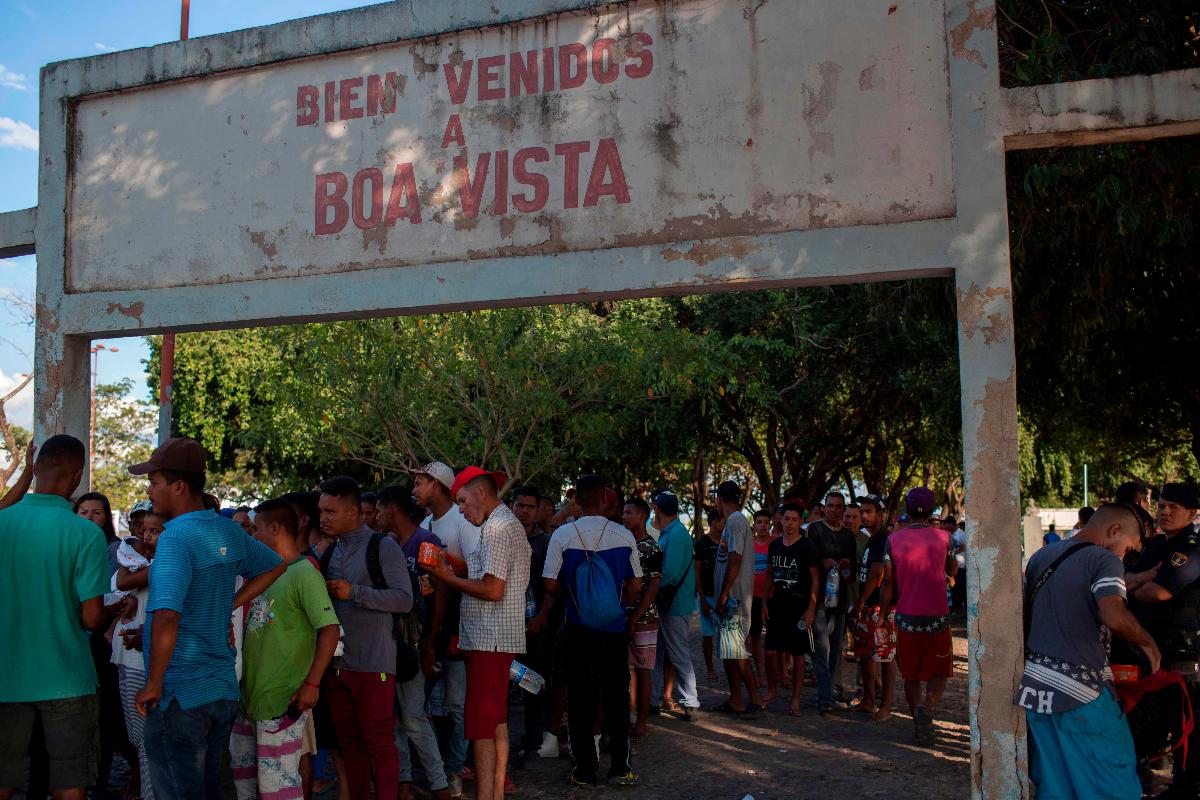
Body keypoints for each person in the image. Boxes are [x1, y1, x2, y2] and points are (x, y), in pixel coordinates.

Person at [128, 437, 285, 799]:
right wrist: (227, 604)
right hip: (219, 691)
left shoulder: (175, 538)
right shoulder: (226, 528)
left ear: (178, 487)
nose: (149, 490)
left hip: (179, 694)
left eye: (154, 482)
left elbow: (167, 614)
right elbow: (274, 565)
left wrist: (153, 684)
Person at [1018, 503, 1160, 800]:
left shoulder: (1041, 557)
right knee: (1115, 787)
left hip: (1036, 691)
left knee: (1056, 787)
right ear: (1114, 531)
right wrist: (1148, 643)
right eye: (1129, 548)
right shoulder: (1104, 559)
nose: (1125, 556)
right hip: (1083, 693)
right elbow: (1113, 615)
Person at [0, 436, 110, 800]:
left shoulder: (4, 523)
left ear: (35, 470)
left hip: (7, 675)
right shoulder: (86, 534)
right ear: (77, 476)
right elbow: (92, 618)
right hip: (67, 677)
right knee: (68, 784)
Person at [430, 467, 530, 800]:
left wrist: (445, 577)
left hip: (491, 638)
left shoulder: (499, 527)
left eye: (461, 501)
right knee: (496, 720)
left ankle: (487, 795)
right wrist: (454, 566)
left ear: (481, 494)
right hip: (490, 638)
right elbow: (486, 577)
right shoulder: (496, 526)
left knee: (482, 727)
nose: (459, 509)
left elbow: (492, 590)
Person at [230, 499, 340, 800]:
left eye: (256, 529)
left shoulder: (304, 573)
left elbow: (330, 629)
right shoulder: (262, 573)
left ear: (275, 528)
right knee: (246, 786)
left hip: (281, 701)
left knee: (278, 788)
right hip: (248, 700)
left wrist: (312, 684)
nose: (252, 536)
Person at [316, 475, 412, 800]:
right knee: (349, 745)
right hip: (337, 667)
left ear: (354, 512)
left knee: (380, 744)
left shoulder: (383, 546)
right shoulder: (328, 551)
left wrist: (353, 592)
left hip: (375, 664)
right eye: (321, 511)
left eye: (330, 511)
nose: (323, 518)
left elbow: (403, 599)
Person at [543, 475, 642, 788]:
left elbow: (548, 582)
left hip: (577, 628)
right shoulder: (623, 535)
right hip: (613, 630)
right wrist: (616, 605)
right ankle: (621, 768)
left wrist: (574, 598)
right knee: (616, 695)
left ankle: (584, 770)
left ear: (579, 501)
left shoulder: (562, 535)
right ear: (605, 500)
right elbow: (636, 583)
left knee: (580, 697)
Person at [375, 485, 453, 800]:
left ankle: (440, 785)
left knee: (413, 715)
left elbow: (441, 591)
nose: (375, 517)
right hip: (392, 644)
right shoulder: (389, 544)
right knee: (395, 716)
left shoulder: (426, 542)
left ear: (392, 510)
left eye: (378, 510)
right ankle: (405, 782)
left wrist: (431, 641)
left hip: (417, 641)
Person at [1127, 482, 1200, 797]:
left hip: (1185, 656)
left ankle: (1187, 786)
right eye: (1161, 506)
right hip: (1152, 651)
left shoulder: (1192, 548)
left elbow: (1158, 592)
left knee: (1188, 726)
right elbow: (1124, 579)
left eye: (1174, 508)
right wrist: (1133, 585)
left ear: (1192, 513)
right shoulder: (1156, 546)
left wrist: (1135, 587)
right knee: (1150, 724)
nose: (1165, 512)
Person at [412, 461, 479, 799]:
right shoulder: (424, 523)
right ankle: (433, 771)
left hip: (459, 628)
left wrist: (445, 566)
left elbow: (477, 575)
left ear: (437, 485)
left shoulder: (462, 522)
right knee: (421, 707)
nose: (415, 489)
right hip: (429, 630)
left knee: (455, 706)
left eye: (420, 482)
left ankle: (454, 771)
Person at [878, 487, 957, 744]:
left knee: (910, 674)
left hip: (907, 616)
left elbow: (888, 580)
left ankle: (917, 717)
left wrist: (882, 615)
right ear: (932, 510)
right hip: (939, 616)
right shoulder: (945, 538)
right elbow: (953, 568)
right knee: (940, 669)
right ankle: (928, 706)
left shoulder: (894, 539)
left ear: (908, 510)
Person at [74, 490, 138, 797]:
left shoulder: (116, 551)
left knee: (109, 715)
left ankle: (110, 778)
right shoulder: (68, 545)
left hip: (105, 641)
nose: (88, 517)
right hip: (75, 640)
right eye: (83, 512)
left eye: (95, 512)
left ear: (107, 516)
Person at [111, 510, 166, 800]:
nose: (147, 537)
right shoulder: (140, 560)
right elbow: (114, 592)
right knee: (138, 737)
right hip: (128, 657)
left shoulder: (163, 563)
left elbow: (121, 581)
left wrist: (127, 585)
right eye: (145, 530)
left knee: (148, 739)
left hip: (145, 661)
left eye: (155, 531)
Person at [510, 486, 560, 761]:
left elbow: (553, 586)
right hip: (505, 626)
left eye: (530, 506)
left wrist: (541, 618)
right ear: (511, 506)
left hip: (534, 626)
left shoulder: (547, 542)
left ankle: (532, 739)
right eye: (520, 505)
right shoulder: (503, 536)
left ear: (539, 510)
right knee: (507, 685)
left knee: (533, 684)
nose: (525, 511)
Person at [712, 480, 764, 719]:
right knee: (728, 652)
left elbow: (735, 557)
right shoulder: (735, 522)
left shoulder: (735, 521)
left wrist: (724, 593)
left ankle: (755, 699)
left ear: (719, 499)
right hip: (731, 597)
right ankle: (736, 698)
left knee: (737, 651)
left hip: (735, 598)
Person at [763, 503, 819, 716]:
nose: (789, 523)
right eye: (786, 518)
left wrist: (811, 608)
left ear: (800, 521)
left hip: (799, 606)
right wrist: (765, 604)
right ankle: (771, 689)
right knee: (769, 651)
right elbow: (769, 575)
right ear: (781, 519)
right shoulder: (774, 545)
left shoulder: (807, 547)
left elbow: (816, 580)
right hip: (777, 603)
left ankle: (795, 699)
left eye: (794, 519)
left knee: (797, 655)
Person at [650, 490, 699, 720]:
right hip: (669, 603)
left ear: (657, 509)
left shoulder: (677, 535)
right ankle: (652, 698)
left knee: (678, 652)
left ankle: (690, 700)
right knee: (658, 653)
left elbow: (669, 574)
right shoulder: (671, 532)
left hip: (675, 603)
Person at [806, 491, 856, 715]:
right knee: (821, 649)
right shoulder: (815, 529)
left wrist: (846, 566)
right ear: (824, 507)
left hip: (841, 599)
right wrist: (821, 561)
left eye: (838, 506)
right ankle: (825, 697)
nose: (834, 510)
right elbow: (806, 560)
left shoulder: (848, 535)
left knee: (835, 649)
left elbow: (853, 570)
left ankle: (829, 691)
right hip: (819, 600)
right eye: (831, 505)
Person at [849, 494, 898, 720]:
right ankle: (869, 700)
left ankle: (885, 705)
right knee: (865, 655)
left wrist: (860, 602)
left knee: (885, 657)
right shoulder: (873, 538)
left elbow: (878, 574)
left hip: (881, 607)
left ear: (881, 514)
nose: (864, 515)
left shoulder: (883, 538)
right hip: (869, 606)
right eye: (862, 511)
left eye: (869, 511)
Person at [621, 498, 661, 739]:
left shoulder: (652, 548)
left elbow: (653, 587)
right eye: (623, 513)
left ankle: (642, 721)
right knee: (627, 669)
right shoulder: (623, 543)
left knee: (643, 669)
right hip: (622, 615)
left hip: (643, 617)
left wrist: (635, 616)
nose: (624, 517)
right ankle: (630, 713)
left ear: (642, 517)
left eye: (629, 513)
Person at [693, 506, 723, 681]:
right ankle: (710, 668)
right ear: (714, 522)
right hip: (707, 596)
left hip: (724, 597)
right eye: (723, 521)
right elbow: (696, 573)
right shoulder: (701, 544)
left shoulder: (728, 543)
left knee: (727, 636)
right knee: (708, 635)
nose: (725, 524)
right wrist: (702, 599)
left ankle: (731, 665)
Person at [750, 509, 772, 685]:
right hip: (753, 597)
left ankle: (777, 673)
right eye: (759, 522)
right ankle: (760, 674)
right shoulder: (748, 545)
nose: (763, 525)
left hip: (772, 597)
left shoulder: (776, 544)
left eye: (766, 522)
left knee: (773, 638)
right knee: (755, 637)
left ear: (770, 524)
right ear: (754, 524)